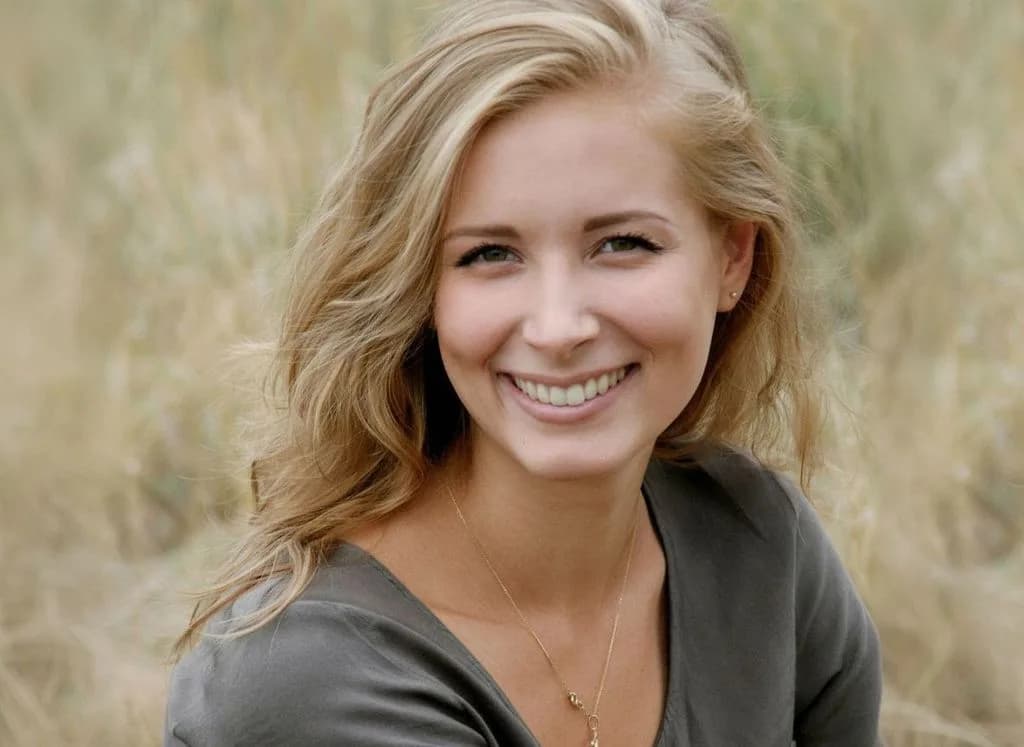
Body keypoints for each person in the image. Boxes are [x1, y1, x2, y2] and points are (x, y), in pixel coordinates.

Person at [164, 0, 883, 745]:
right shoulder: (311, 678)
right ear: (420, 290)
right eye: (489, 254)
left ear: (732, 257)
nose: (557, 327)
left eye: (623, 244)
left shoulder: (759, 545)